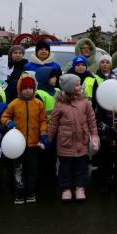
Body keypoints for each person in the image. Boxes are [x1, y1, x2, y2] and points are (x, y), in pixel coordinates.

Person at [47, 74, 99, 202]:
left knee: (81, 167)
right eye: (76, 85)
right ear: (69, 87)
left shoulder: (84, 101)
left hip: (82, 140)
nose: (79, 86)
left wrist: (94, 135)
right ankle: (66, 189)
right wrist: (48, 138)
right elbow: (53, 122)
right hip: (65, 141)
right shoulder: (59, 104)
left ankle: (80, 187)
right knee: (65, 168)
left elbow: (91, 119)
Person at [1, 74, 49, 205]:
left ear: (34, 89)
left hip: (34, 144)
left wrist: (43, 133)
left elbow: (43, 120)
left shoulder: (38, 104)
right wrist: (9, 122)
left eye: (30, 88)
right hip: (17, 145)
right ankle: (19, 192)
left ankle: (31, 191)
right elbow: (4, 117)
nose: (28, 90)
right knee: (18, 169)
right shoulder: (14, 104)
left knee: (32, 169)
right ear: (19, 89)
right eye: (25, 88)